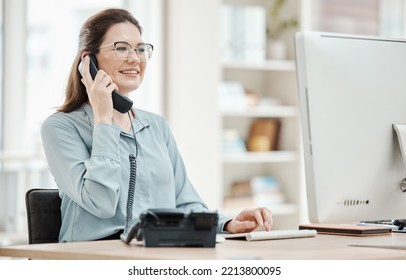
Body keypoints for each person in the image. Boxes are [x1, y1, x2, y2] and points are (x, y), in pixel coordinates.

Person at [41, 8, 273, 242]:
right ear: (88, 61)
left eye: (140, 49)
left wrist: (229, 224)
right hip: (91, 258)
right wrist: (103, 121)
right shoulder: (60, 128)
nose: (135, 58)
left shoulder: (155, 126)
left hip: (154, 252)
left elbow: (184, 202)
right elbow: (101, 202)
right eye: (121, 48)